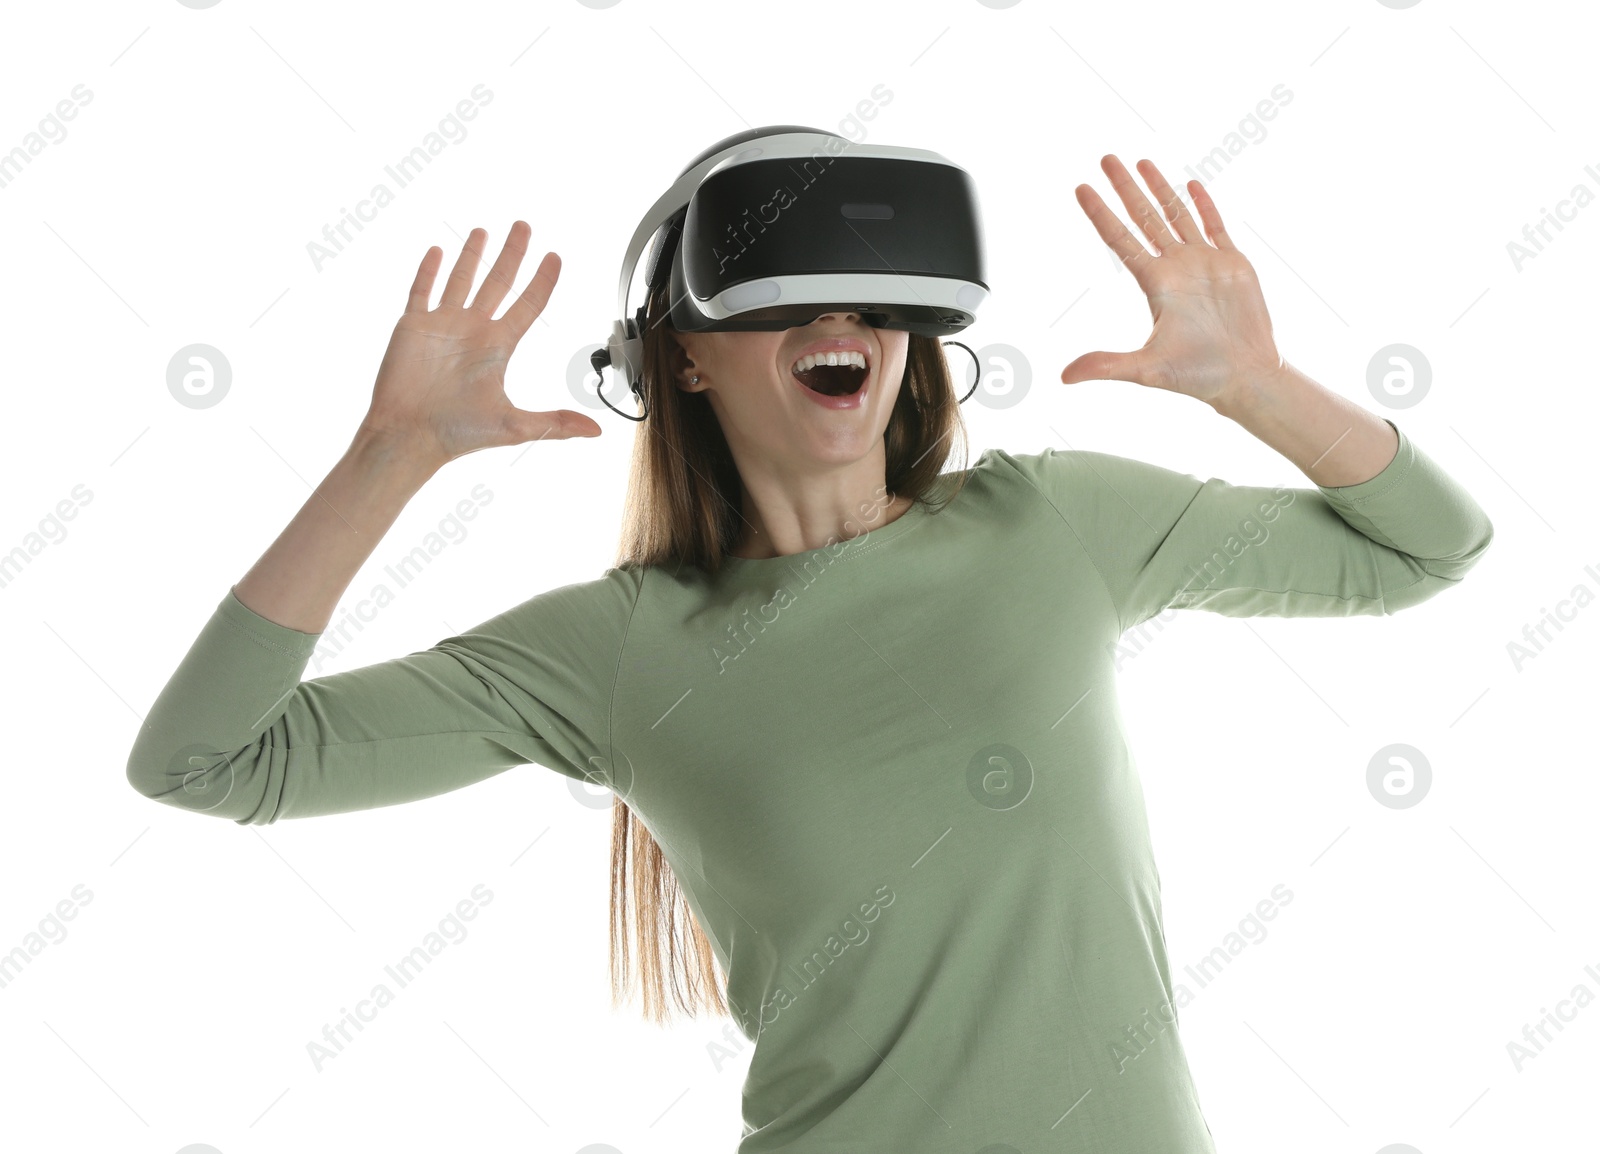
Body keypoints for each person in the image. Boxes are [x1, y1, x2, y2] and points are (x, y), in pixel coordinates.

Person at [125, 148, 1494, 1152]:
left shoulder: (1053, 521)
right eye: (784, 287)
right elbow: (202, 758)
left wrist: (1255, 386)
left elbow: (1430, 547)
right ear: (685, 360)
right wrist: (390, 457)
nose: (842, 318)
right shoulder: (622, 647)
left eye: (877, 287)